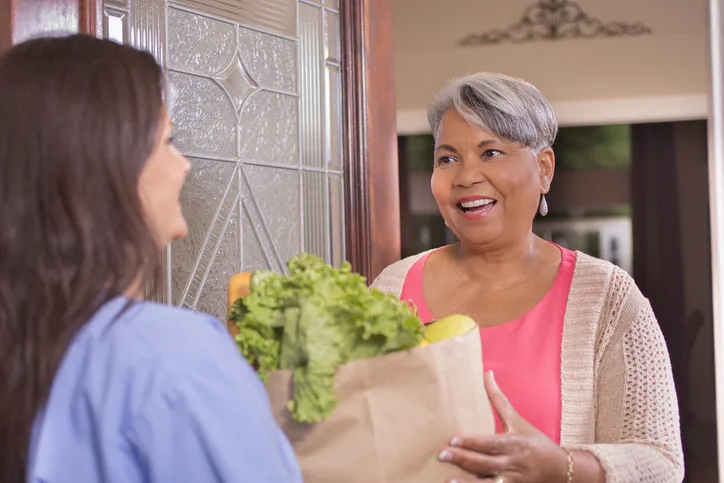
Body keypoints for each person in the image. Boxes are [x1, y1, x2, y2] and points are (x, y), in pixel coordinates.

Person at [0, 35, 302, 483]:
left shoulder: (23, 347)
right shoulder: (172, 356)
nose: (184, 165)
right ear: (105, 166)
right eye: (168, 141)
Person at [372, 73, 683, 483]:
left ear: (543, 168)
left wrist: (560, 466)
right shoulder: (393, 286)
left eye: (491, 153)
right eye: (447, 158)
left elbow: (661, 463)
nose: (465, 176)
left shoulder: (605, 297)